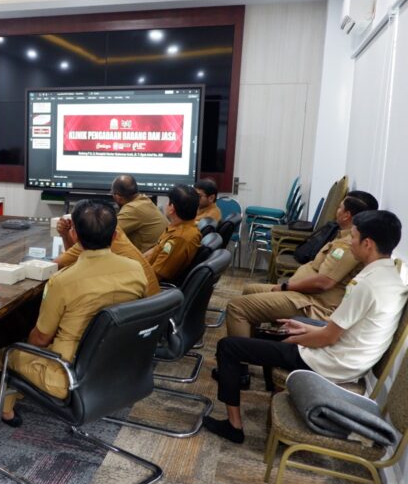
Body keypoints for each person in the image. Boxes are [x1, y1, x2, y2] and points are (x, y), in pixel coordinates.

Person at [204, 210, 408, 444]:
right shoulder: (391, 276)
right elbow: (340, 332)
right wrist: (304, 330)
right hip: (347, 355)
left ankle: (233, 426)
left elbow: (328, 338)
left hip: (332, 361)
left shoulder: (366, 285)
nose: (350, 243)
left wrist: (298, 339)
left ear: (368, 244)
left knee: (228, 347)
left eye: (353, 237)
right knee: (271, 333)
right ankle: (267, 396)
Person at [0, 200, 148, 426]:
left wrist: (29, 351)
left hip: (69, 376)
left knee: (8, 354)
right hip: (119, 365)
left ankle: (3, 410)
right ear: (116, 234)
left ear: (74, 235)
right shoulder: (136, 269)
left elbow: (41, 338)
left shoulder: (63, 281)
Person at [225, 192, 379, 339]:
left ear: (347, 215)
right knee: (249, 290)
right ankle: (249, 344)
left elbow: (322, 283)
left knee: (236, 307)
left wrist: (286, 287)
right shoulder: (343, 238)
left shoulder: (348, 247)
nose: (336, 210)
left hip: (311, 302)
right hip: (303, 293)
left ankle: (241, 357)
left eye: (339, 207)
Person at [55, 215, 160, 296]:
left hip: (129, 314)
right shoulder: (113, 232)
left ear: (75, 233)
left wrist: (66, 235)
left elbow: (56, 266)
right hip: (152, 311)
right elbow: (76, 260)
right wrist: (66, 236)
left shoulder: (92, 238)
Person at [143, 185, 202, 283]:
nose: (166, 205)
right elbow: (155, 251)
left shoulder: (179, 238)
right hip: (143, 270)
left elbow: (155, 276)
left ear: (172, 208)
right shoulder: (178, 228)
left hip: (150, 286)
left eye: (168, 203)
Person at [111, 175, 168, 253]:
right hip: (157, 254)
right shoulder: (144, 200)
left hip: (148, 261)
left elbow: (105, 233)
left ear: (118, 198)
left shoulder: (132, 209)